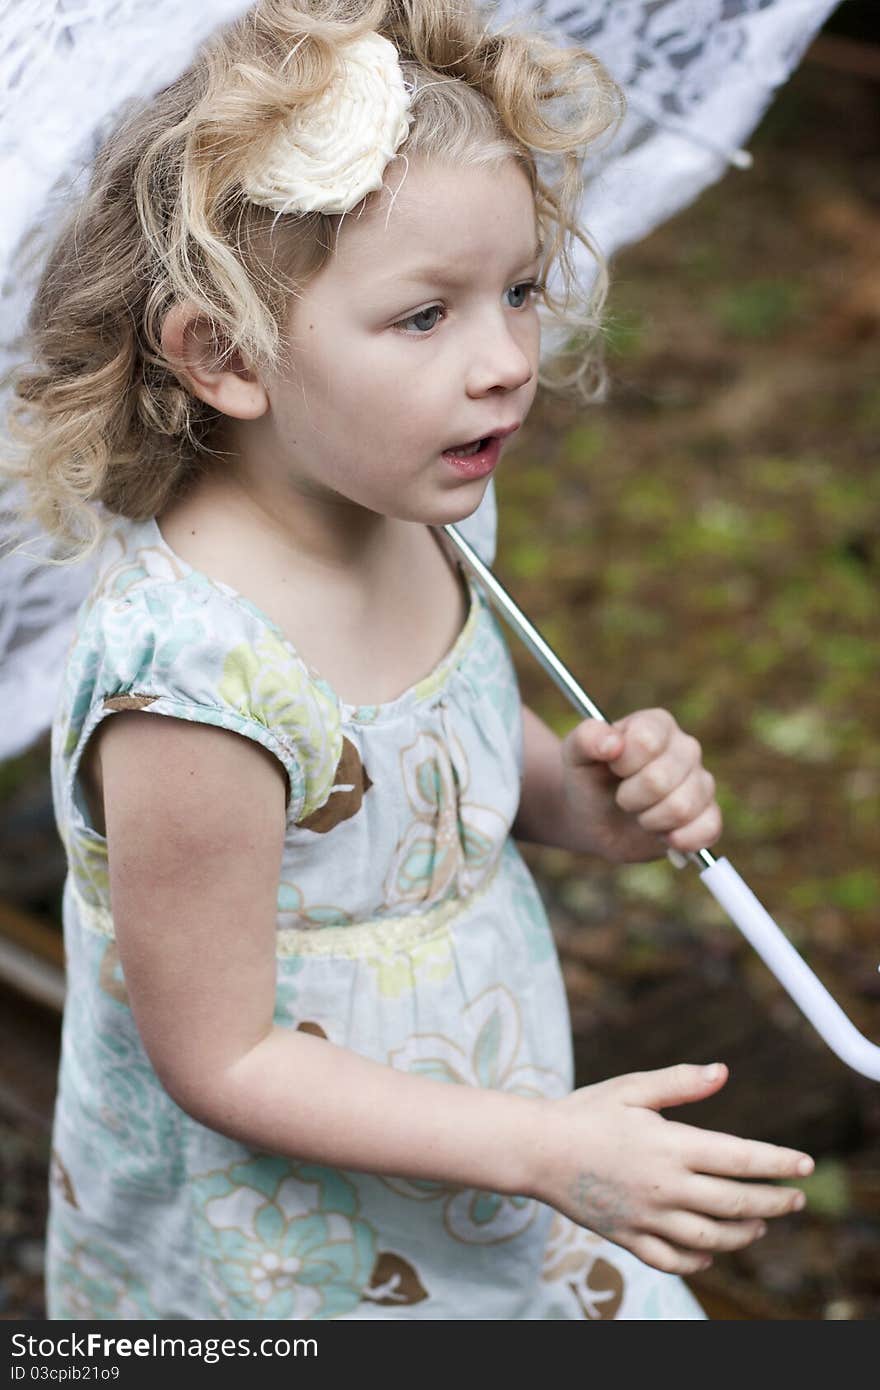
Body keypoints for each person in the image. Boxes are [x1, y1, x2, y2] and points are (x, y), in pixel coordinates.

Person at [9, 0, 813, 1320]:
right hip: (298, 1241)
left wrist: (569, 796)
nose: (507, 362)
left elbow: (433, 778)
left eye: (518, 291)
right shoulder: (194, 684)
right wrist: (548, 1149)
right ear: (224, 354)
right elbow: (222, 1054)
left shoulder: (427, 506)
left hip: (482, 1115)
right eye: (425, 315)